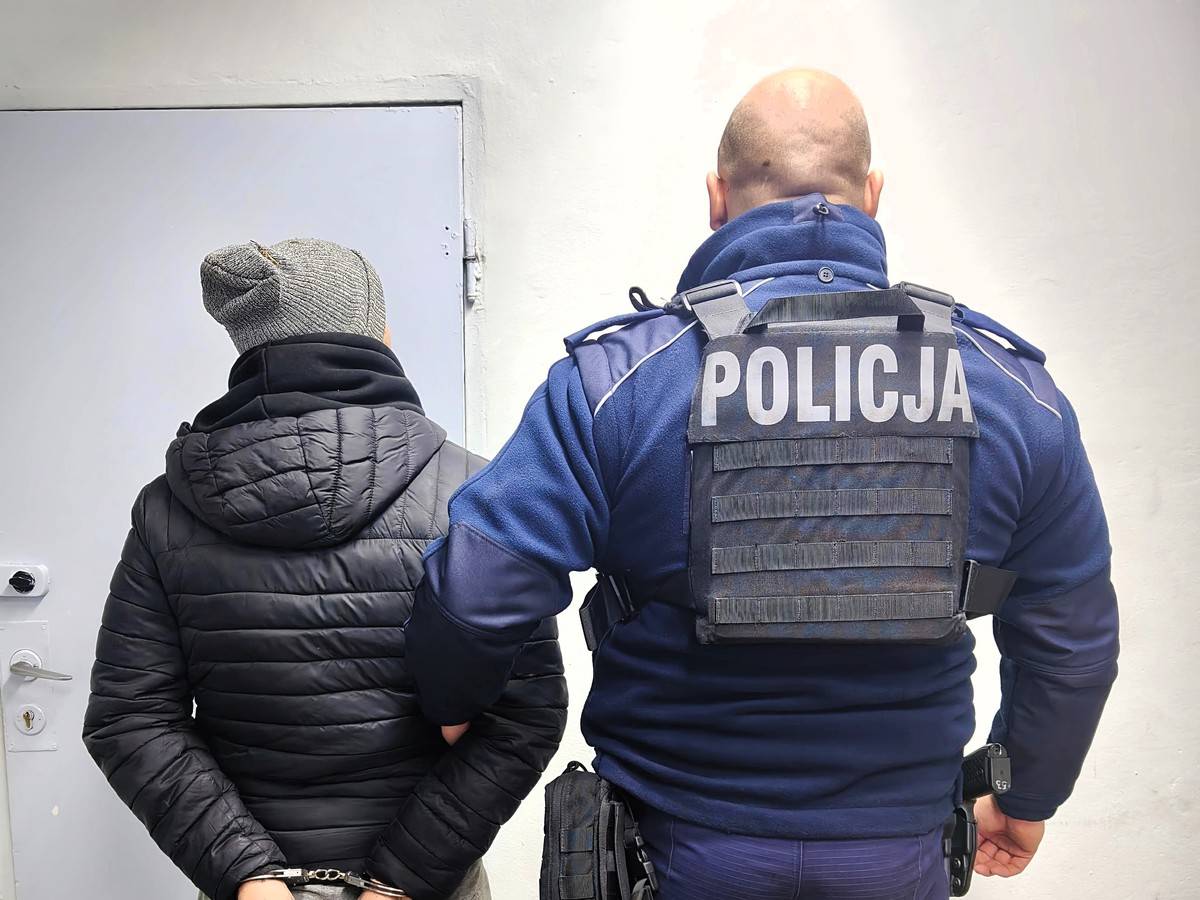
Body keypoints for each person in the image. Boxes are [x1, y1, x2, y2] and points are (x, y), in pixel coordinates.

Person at [404, 69, 1119, 899]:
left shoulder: (618, 383)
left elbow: (474, 590)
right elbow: (1073, 639)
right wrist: (1026, 794)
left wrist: (453, 701)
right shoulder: (1013, 394)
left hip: (678, 848)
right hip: (896, 853)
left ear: (718, 197)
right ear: (872, 196)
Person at [83, 239, 567, 900]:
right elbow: (524, 714)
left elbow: (129, 717)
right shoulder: (474, 494)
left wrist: (249, 876)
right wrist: (399, 882)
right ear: (379, 336)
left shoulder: (166, 510)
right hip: (429, 884)